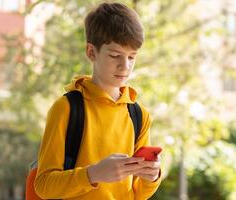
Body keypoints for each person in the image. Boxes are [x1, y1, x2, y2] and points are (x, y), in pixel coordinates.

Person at [34, 2, 162, 199]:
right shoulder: (66, 108)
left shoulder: (138, 115)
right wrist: (93, 174)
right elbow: (43, 186)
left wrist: (151, 177)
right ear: (91, 52)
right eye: (115, 55)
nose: (124, 66)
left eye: (131, 57)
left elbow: (138, 194)